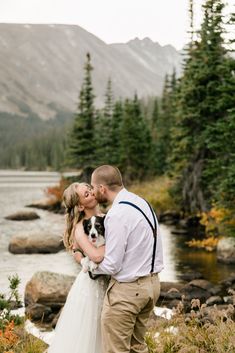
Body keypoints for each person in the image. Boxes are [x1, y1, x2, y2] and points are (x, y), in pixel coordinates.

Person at [76, 165, 164, 353]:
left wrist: (89, 266)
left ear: (102, 189)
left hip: (128, 293)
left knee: (116, 350)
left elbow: (111, 265)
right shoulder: (142, 203)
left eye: (93, 187)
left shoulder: (116, 215)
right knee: (137, 348)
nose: (91, 191)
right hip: (152, 285)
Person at [48, 182, 108, 353]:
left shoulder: (108, 217)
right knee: (89, 330)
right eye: (86, 194)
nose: (92, 193)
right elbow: (90, 255)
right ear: (80, 205)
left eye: (90, 189)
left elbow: (76, 251)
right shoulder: (80, 227)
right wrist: (84, 261)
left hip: (113, 282)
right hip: (91, 284)